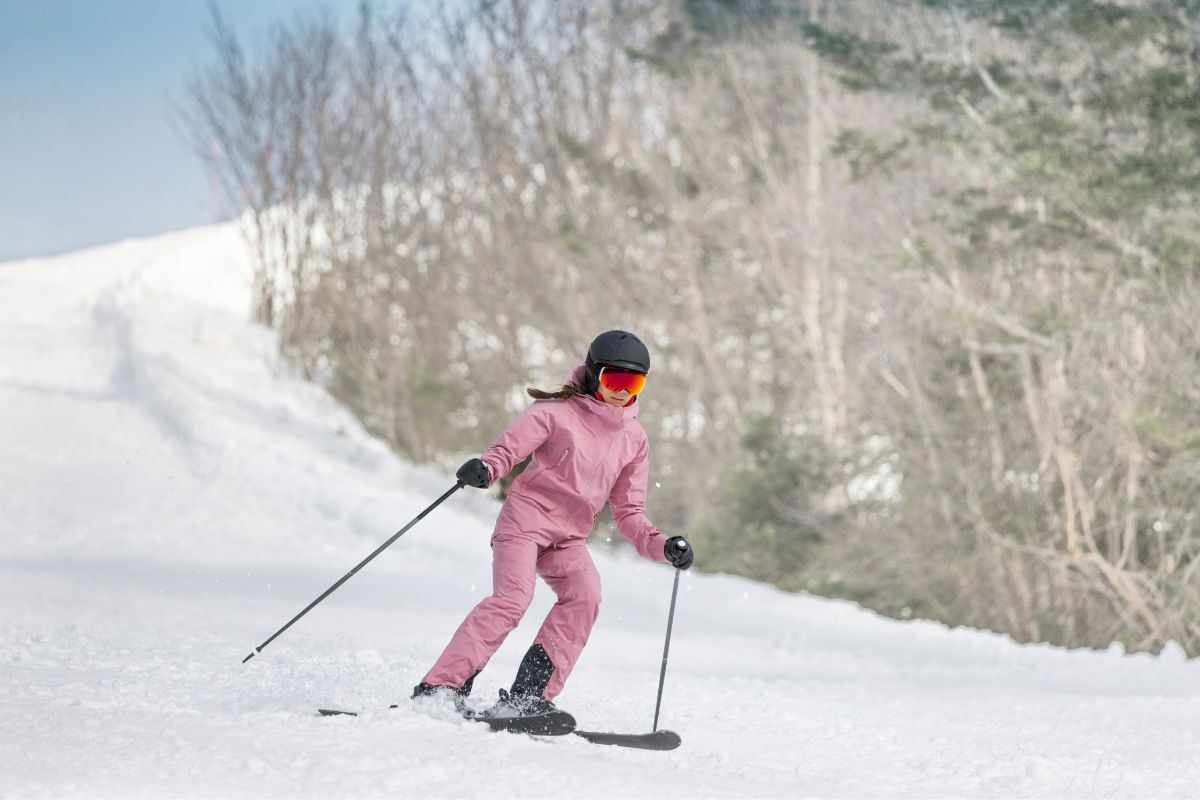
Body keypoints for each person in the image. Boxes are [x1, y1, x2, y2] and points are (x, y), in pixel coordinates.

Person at [413, 330, 694, 719]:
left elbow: (629, 511)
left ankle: (528, 697)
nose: (622, 391)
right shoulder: (554, 413)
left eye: (634, 382)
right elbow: (508, 449)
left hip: (568, 538)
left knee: (586, 595)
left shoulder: (634, 439)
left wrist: (662, 545)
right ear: (595, 374)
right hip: (525, 523)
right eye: (615, 379)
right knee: (513, 599)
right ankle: (440, 688)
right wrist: (487, 468)